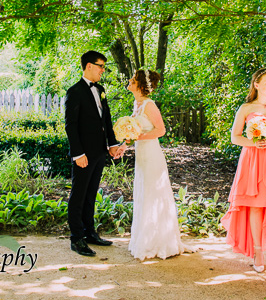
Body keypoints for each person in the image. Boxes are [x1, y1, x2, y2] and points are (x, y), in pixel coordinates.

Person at [220, 68, 266, 273]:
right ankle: (258, 252)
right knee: (254, 207)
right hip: (252, 161)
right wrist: (253, 142)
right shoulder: (246, 108)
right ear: (257, 85)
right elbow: (235, 137)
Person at [126, 69, 195, 260]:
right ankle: (145, 239)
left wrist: (139, 137)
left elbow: (161, 130)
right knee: (143, 193)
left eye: (133, 79)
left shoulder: (149, 105)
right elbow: (134, 131)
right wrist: (126, 144)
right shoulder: (137, 103)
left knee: (152, 194)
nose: (129, 81)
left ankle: (159, 242)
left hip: (151, 154)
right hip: (141, 154)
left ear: (140, 85)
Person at [65, 51, 123, 256]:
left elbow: (106, 119)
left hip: (99, 152)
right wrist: (78, 154)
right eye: (100, 66)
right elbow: (70, 126)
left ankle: (90, 233)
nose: (102, 70)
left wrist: (112, 144)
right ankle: (76, 238)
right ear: (88, 66)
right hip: (84, 155)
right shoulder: (75, 91)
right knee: (78, 195)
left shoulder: (100, 89)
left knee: (91, 194)